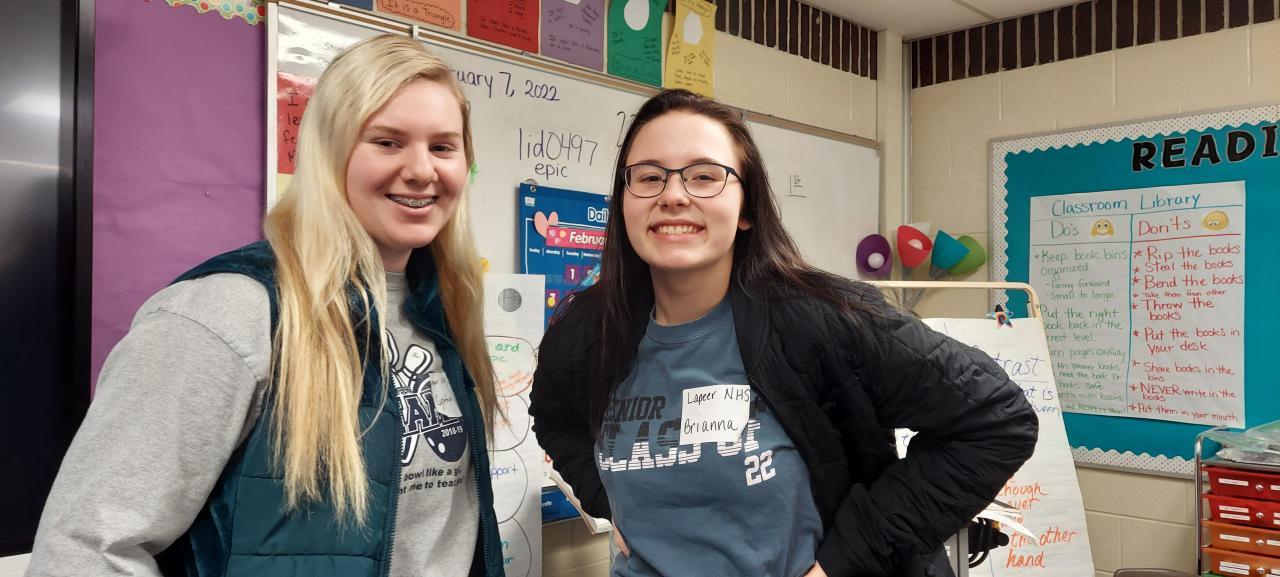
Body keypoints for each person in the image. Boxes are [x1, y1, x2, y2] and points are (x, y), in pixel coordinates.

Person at [27, 35, 504, 577]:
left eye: (442, 147)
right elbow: (85, 550)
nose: (422, 170)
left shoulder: (442, 312)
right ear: (330, 153)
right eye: (387, 142)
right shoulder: (226, 313)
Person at [529, 89, 1038, 577]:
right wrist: (606, 499)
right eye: (649, 177)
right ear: (624, 200)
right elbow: (554, 418)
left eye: (704, 176)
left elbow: (997, 420)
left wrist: (848, 558)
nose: (674, 195)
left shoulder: (823, 319)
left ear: (747, 209)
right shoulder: (589, 328)